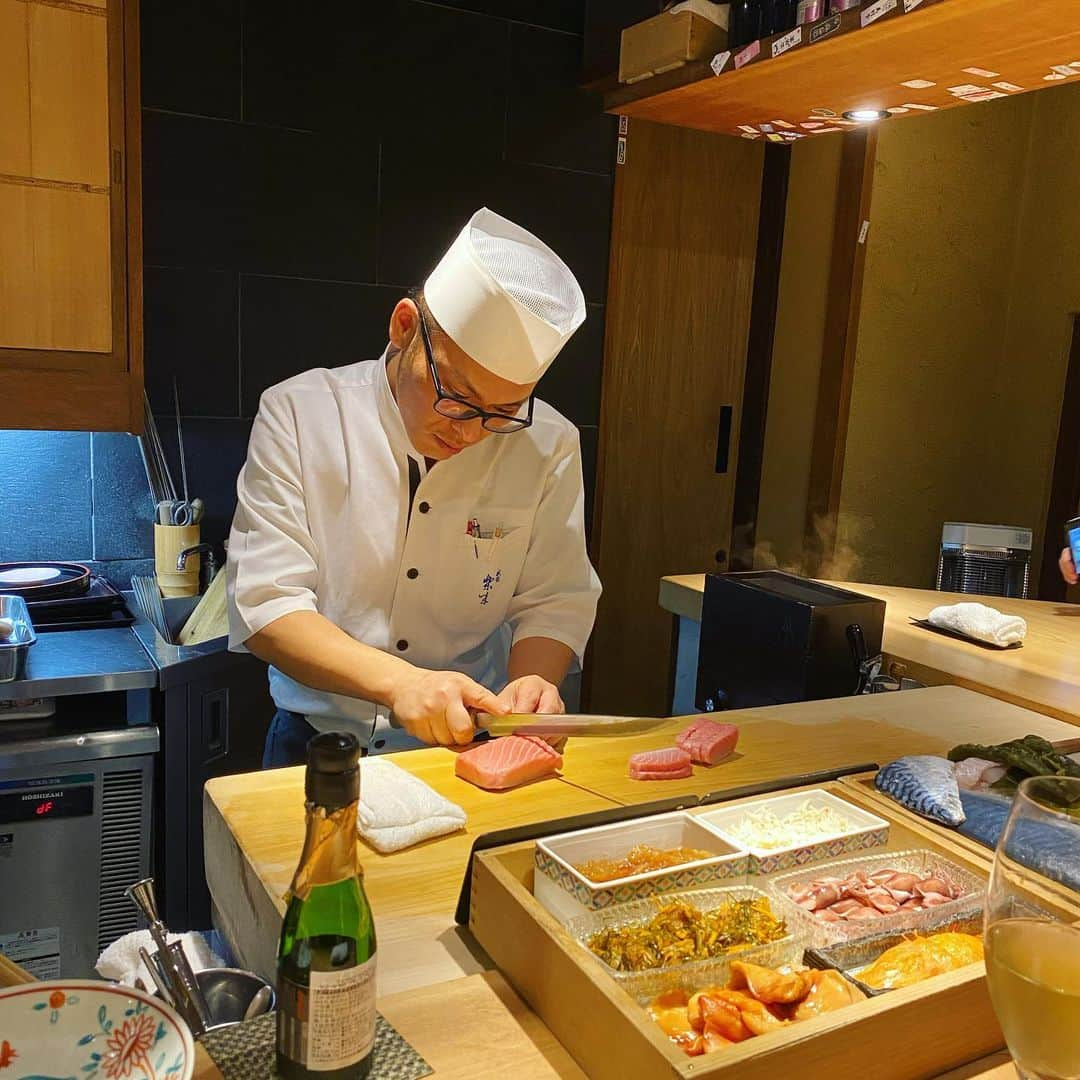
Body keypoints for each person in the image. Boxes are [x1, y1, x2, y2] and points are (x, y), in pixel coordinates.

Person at [226, 209, 601, 766]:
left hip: (470, 746)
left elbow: (554, 598)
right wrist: (400, 684)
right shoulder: (301, 415)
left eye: (501, 412)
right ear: (404, 327)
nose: (470, 432)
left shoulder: (548, 443)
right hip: (318, 744)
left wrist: (531, 688)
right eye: (457, 396)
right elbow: (266, 605)